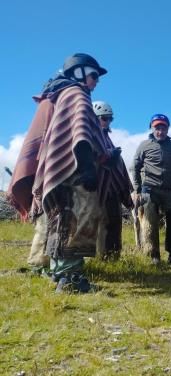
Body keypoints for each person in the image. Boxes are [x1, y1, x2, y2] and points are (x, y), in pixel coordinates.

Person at [7, 53, 111, 293]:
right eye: (94, 75)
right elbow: (81, 131)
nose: (96, 81)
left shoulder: (55, 95)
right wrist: (87, 166)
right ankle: (70, 278)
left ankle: (58, 272)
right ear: (78, 73)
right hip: (73, 171)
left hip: (57, 171)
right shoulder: (76, 94)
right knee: (75, 216)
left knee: (58, 220)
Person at [132, 114, 171, 265]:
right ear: (152, 128)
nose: (160, 131)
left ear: (167, 129)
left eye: (163, 128)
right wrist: (137, 189)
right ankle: (153, 254)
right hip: (150, 189)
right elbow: (135, 167)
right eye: (157, 128)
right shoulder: (144, 145)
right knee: (150, 222)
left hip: (169, 189)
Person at [92, 101, 134, 260]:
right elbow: (93, 158)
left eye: (110, 119)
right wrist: (110, 155)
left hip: (113, 189)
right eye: (104, 118)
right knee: (102, 222)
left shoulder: (106, 137)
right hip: (98, 187)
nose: (107, 121)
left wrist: (114, 154)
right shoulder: (90, 135)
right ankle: (101, 256)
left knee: (115, 222)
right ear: (95, 118)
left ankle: (114, 256)